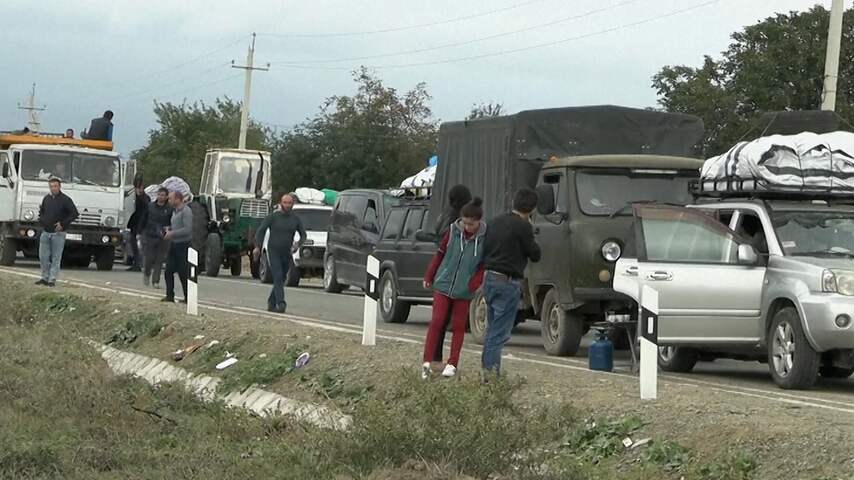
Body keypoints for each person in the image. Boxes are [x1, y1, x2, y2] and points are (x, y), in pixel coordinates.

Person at [421, 198, 486, 379]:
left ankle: (452, 363)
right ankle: (426, 362)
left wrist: (475, 282)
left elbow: (483, 265)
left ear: (478, 221)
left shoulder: (483, 240)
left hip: (464, 290)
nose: (466, 227)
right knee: (437, 321)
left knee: (458, 326)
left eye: (470, 224)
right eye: (464, 222)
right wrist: (429, 275)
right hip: (443, 284)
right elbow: (440, 255)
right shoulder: (452, 231)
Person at [480, 188, 542, 377]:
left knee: (491, 331)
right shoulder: (523, 227)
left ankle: (487, 371)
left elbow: (485, 248)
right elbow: (535, 254)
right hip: (507, 282)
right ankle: (491, 378)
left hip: (489, 278)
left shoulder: (495, 221)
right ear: (532, 208)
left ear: (514, 201)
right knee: (498, 334)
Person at [426, 184, 473, 366]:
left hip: (442, 271)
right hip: (454, 272)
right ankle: (444, 359)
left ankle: (434, 356)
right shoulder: (458, 221)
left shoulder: (443, 214)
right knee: (452, 321)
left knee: (439, 319)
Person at [253, 193, 307, 314]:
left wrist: (298, 244)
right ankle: (281, 303)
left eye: (289, 203)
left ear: (292, 204)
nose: (287, 205)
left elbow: (303, 234)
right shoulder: (273, 217)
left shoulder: (295, 219)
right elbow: (260, 232)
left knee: (281, 279)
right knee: (277, 276)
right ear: (281, 203)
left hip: (287, 252)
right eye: (285, 203)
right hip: (273, 251)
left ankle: (271, 302)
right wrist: (257, 247)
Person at [35, 178, 79, 287]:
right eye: (51, 186)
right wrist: (42, 220)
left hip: (58, 234)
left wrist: (63, 224)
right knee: (43, 256)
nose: (53, 188)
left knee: (56, 257)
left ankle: (52, 279)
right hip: (46, 232)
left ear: (59, 187)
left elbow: (74, 214)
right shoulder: (46, 199)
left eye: (55, 186)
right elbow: (42, 212)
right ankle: (44, 277)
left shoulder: (65, 200)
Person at [161, 191, 193, 303]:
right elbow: (176, 226)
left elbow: (188, 229)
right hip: (174, 244)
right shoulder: (174, 211)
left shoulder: (186, 211)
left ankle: (188, 297)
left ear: (178, 199)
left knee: (183, 272)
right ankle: (170, 295)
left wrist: (172, 233)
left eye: (170, 199)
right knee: (168, 270)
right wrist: (168, 229)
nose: (168, 201)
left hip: (183, 245)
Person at [142, 187, 173, 288]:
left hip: (163, 237)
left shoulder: (169, 209)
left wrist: (169, 230)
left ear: (166, 196)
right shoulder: (150, 206)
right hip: (150, 235)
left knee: (159, 260)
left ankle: (156, 281)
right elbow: (143, 219)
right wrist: (141, 231)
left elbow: (172, 222)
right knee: (149, 258)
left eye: (163, 195)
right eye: (159, 194)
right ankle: (147, 273)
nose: (161, 197)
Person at [126, 184, 149, 272]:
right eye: (137, 188)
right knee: (133, 245)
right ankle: (135, 264)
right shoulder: (134, 198)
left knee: (138, 245)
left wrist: (140, 228)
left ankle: (138, 264)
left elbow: (143, 215)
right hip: (134, 224)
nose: (139, 190)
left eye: (141, 188)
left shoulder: (144, 199)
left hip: (140, 225)